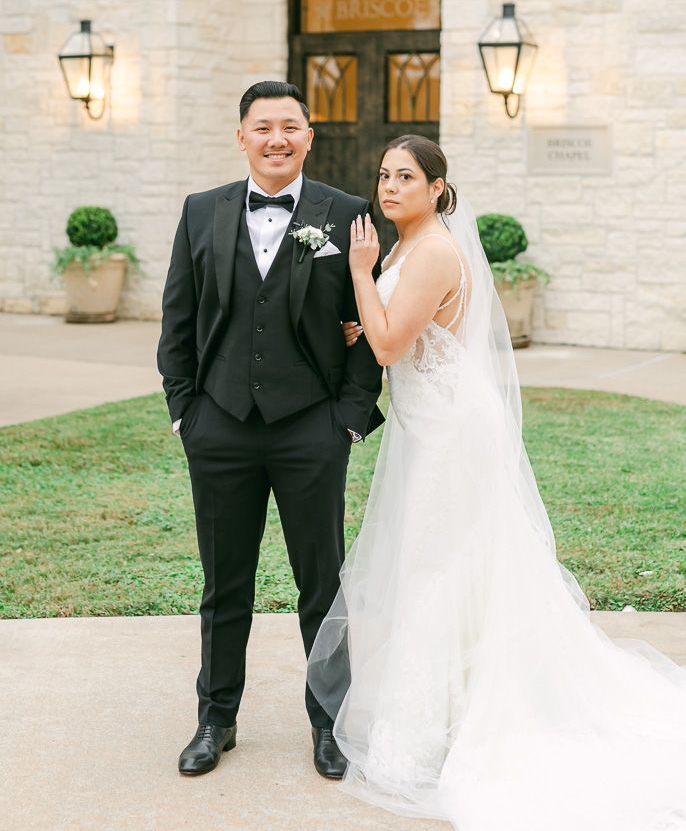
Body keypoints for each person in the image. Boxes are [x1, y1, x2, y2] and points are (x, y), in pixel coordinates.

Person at [308, 133, 686, 831]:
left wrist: (361, 273)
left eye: (405, 177)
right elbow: (402, 330)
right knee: (446, 566)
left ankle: (432, 731)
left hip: (451, 431)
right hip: (429, 422)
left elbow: (390, 344)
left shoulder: (433, 250)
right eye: (384, 175)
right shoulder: (407, 246)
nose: (389, 187)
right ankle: (453, 706)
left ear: (437, 189)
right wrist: (372, 310)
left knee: (438, 568)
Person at [157, 80, 384, 779]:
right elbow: (178, 319)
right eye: (263, 127)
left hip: (310, 430)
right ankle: (215, 719)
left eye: (290, 126)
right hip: (218, 427)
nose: (276, 139)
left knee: (321, 585)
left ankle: (330, 725)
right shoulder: (201, 211)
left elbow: (370, 321)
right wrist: (186, 411)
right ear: (242, 137)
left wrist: (348, 420)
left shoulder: (348, 213)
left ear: (309, 137)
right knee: (224, 583)